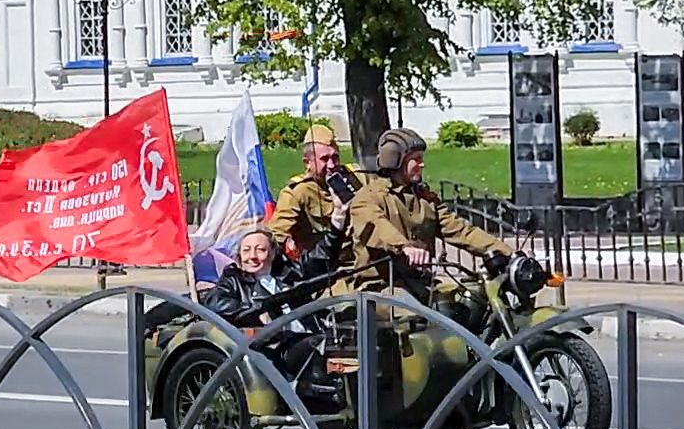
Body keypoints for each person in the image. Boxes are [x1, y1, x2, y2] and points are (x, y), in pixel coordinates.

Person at [345, 128, 513, 298]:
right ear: (395, 161)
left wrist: (508, 253)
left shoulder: (424, 199)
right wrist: (404, 247)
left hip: (421, 283)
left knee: (470, 301)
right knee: (411, 310)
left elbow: (461, 231)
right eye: (416, 159)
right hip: (380, 288)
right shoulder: (367, 198)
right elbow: (376, 225)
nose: (422, 164)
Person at [201, 216, 349, 396]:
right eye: (246, 250)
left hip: (314, 335)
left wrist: (337, 223)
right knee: (316, 344)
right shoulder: (232, 279)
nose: (252, 256)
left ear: (272, 254)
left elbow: (320, 258)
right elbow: (216, 303)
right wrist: (255, 310)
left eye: (260, 250)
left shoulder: (288, 273)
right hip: (278, 348)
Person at [268, 124, 362, 260]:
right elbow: (275, 235)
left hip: (361, 260)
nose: (332, 165)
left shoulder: (355, 178)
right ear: (307, 163)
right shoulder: (298, 192)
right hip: (326, 264)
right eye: (324, 159)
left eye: (335, 157)